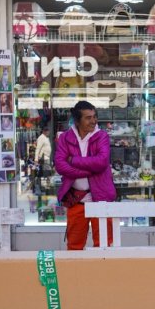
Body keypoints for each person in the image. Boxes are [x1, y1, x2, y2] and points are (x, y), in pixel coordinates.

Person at [54, 100, 116, 250]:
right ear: (77, 120)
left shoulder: (102, 136)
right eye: (88, 118)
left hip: (101, 199)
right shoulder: (65, 138)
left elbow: (101, 162)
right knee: (74, 247)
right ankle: (75, 273)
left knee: (104, 246)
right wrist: (88, 170)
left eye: (94, 116)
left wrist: (73, 160)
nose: (93, 121)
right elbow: (60, 165)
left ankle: (102, 274)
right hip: (76, 200)